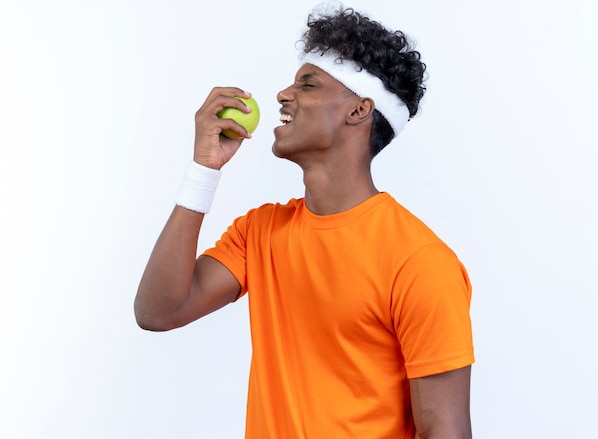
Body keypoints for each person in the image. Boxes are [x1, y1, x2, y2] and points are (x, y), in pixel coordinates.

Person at [135, 5, 474, 439]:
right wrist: (204, 170)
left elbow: (446, 432)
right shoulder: (260, 232)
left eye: (307, 84)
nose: (282, 95)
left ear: (358, 110)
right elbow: (158, 311)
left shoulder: (420, 262)